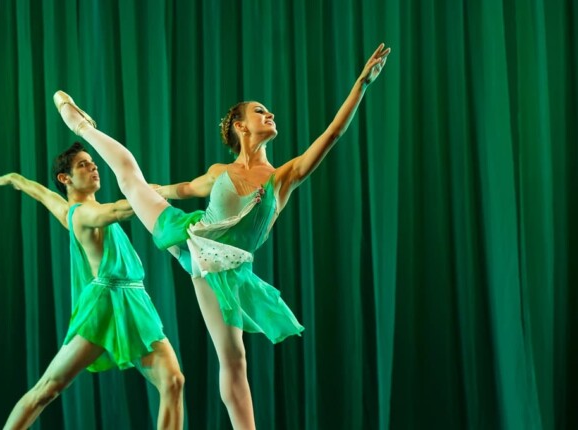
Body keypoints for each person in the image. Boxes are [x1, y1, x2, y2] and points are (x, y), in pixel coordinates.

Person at [53, 43, 390, 430]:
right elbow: (181, 189)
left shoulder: (283, 178)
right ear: (241, 126)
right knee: (131, 177)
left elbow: (331, 135)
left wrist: (361, 86)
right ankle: (82, 125)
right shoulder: (219, 171)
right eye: (260, 111)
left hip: (224, 267)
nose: (271, 114)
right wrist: (151, 194)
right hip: (189, 236)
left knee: (234, 360)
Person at [0, 142, 184, 430]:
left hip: (136, 304)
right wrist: (155, 194)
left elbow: (42, 193)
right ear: (66, 178)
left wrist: (16, 179)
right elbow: (115, 211)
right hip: (103, 307)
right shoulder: (81, 214)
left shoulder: (69, 212)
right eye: (83, 164)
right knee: (47, 389)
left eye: (93, 163)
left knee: (174, 381)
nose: (94, 167)